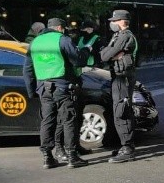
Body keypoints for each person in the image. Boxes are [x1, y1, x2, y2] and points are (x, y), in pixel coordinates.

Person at [24, 18, 92, 169]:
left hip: (43, 88)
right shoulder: (62, 39)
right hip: (62, 86)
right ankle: (72, 156)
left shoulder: (35, 43)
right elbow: (79, 61)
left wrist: (32, 91)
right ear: (60, 28)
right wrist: (87, 50)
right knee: (68, 120)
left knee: (47, 121)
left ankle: (47, 157)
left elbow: (27, 70)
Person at [100, 10, 138, 164]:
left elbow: (105, 55)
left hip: (123, 78)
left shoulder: (125, 36)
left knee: (121, 111)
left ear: (122, 21)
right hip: (119, 77)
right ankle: (126, 145)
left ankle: (127, 148)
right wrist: (111, 54)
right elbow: (104, 54)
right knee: (120, 110)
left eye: (115, 21)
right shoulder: (118, 36)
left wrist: (111, 54)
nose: (112, 23)